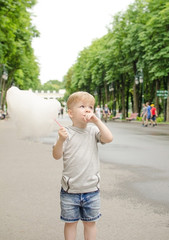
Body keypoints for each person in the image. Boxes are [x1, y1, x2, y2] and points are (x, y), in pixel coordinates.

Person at [53, 91, 113, 240]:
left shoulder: (93, 131)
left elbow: (109, 138)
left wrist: (97, 121)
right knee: (70, 223)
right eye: (82, 106)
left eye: (91, 107)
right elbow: (56, 155)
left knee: (90, 223)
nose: (88, 109)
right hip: (70, 190)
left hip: (91, 189)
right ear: (70, 113)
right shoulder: (65, 133)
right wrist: (60, 140)